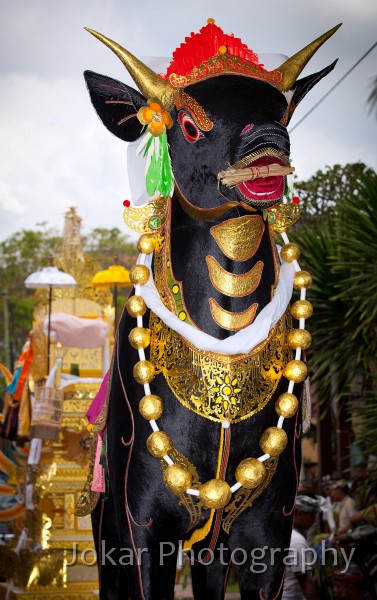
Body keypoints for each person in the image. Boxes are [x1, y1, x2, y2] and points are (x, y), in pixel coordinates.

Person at [282, 494, 320, 600]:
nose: (314, 521)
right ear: (300, 513)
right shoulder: (297, 541)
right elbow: (305, 583)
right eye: (312, 516)